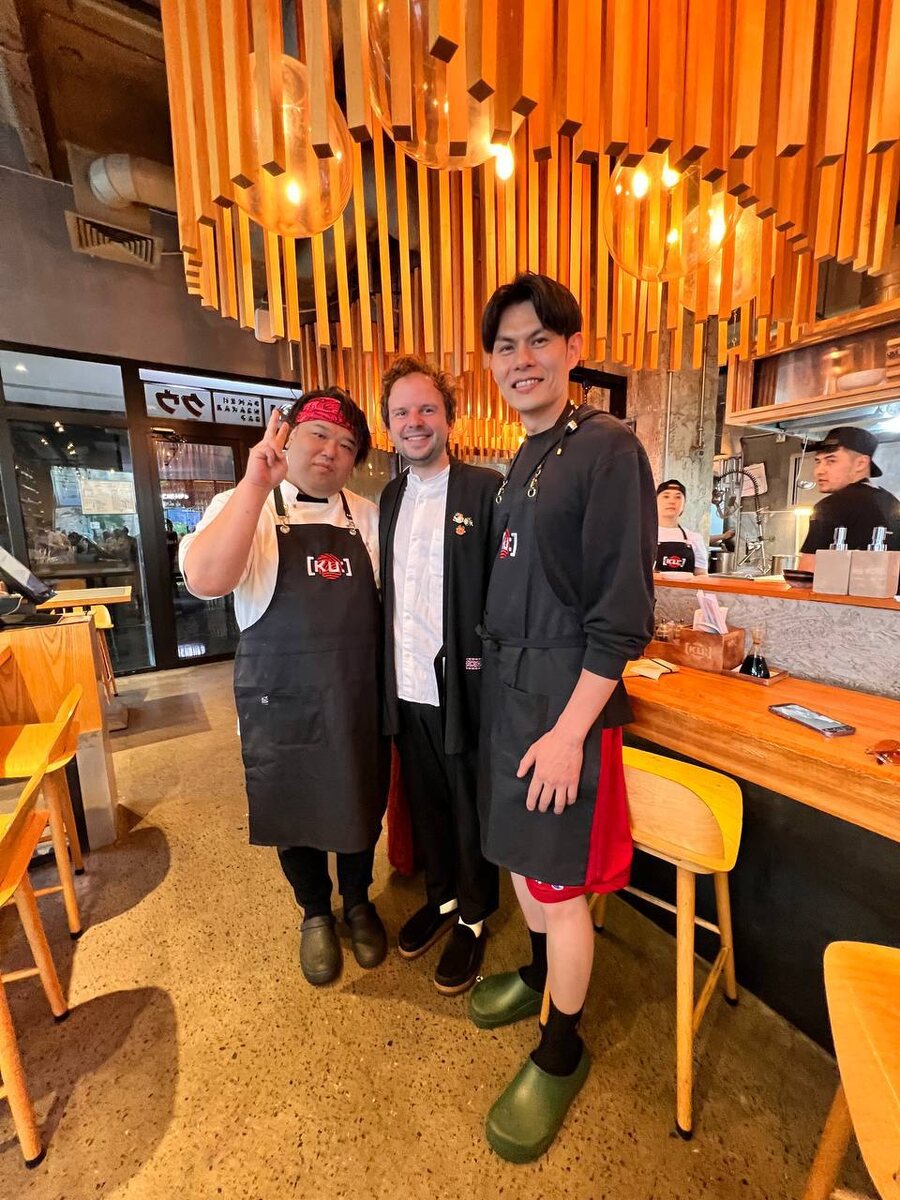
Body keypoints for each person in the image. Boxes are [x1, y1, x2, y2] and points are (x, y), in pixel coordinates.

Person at [468, 273, 656, 1162]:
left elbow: (621, 618)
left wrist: (570, 732)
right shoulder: (523, 456)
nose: (522, 359)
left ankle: (561, 1048)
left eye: (539, 340)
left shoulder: (607, 447)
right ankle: (539, 974)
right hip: (510, 695)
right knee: (522, 863)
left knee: (562, 889)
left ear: (574, 349)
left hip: (563, 701)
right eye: (505, 346)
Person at [180, 389, 389, 987]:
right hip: (281, 700)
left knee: (359, 801)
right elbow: (205, 580)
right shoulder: (241, 503)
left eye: (346, 445)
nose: (331, 452)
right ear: (287, 437)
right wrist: (254, 484)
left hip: (354, 697)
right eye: (318, 435)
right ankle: (315, 912)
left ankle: (358, 900)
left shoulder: (367, 517)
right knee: (295, 806)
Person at [379, 356, 501, 995]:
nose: (415, 421)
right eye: (401, 412)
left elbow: (504, 590)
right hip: (404, 680)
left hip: (463, 683)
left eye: (427, 408)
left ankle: (475, 915)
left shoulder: (484, 489)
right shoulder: (391, 496)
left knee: (468, 805)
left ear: (449, 418)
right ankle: (442, 898)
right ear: (389, 426)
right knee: (425, 802)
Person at [797, 427, 900, 569]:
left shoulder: (831, 506)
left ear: (861, 463)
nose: (819, 471)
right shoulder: (893, 503)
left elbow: (807, 573)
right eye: (818, 462)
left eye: (831, 461)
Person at [655, 479, 708, 573]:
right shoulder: (643, 537)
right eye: (666, 496)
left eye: (678, 497)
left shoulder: (694, 538)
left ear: (683, 505)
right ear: (655, 502)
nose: (672, 501)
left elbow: (701, 575)